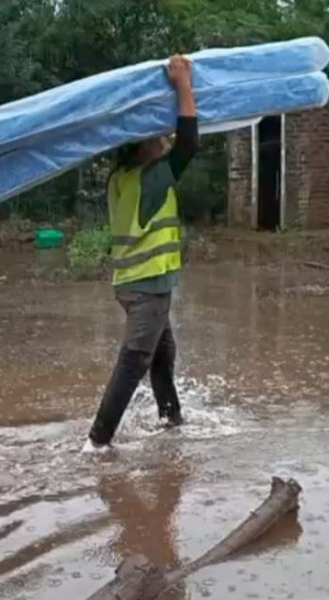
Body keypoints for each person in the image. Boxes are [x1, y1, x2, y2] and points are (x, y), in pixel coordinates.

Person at [84, 55, 198, 451]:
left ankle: (172, 421)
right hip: (148, 287)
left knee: (162, 355)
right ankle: (97, 444)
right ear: (141, 145)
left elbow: (177, 146)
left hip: (136, 284)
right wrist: (184, 85)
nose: (163, 141)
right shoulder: (150, 178)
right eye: (156, 136)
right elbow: (188, 145)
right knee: (134, 360)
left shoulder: (122, 176)